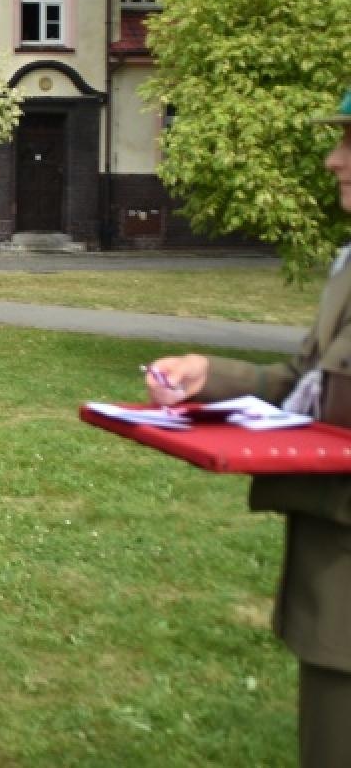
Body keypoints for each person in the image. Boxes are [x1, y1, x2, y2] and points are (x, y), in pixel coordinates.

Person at [146, 88, 351, 768]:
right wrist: (215, 377)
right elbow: (305, 385)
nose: (332, 159)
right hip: (333, 590)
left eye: (349, 142)